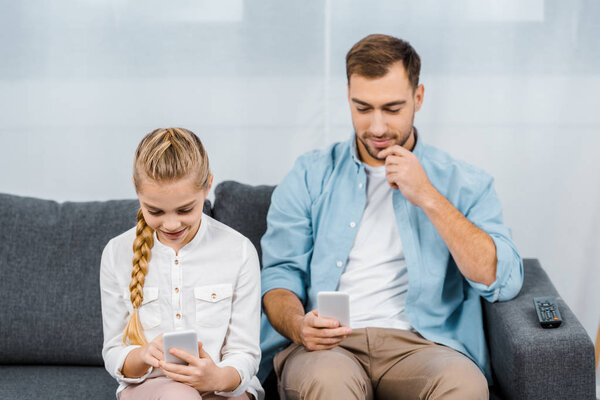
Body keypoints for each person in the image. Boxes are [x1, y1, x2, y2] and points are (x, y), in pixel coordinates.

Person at [259, 34, 523, 399]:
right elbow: (279, 275)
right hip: (330, 349)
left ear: (418, 98)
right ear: (348, 97)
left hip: (424, 346)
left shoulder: (465, 182)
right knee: (327, 384)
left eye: (392, 108)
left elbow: (502, 280)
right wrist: (299, 325)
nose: (378, 127)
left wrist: (428, 196)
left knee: (464, 386)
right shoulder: (309, 174)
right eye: (363, 108)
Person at [100, 128, 264, 400]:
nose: (172, 224)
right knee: (180, 396)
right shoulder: (117, 253)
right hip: (151, 387)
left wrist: (216, 377)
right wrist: (142, 355)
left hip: (222, 388)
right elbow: (114, 350)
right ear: (136, 190)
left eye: (185, 210)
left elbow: (244, 352)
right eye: (155, 211)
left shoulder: (239, 251)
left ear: (208, 185)